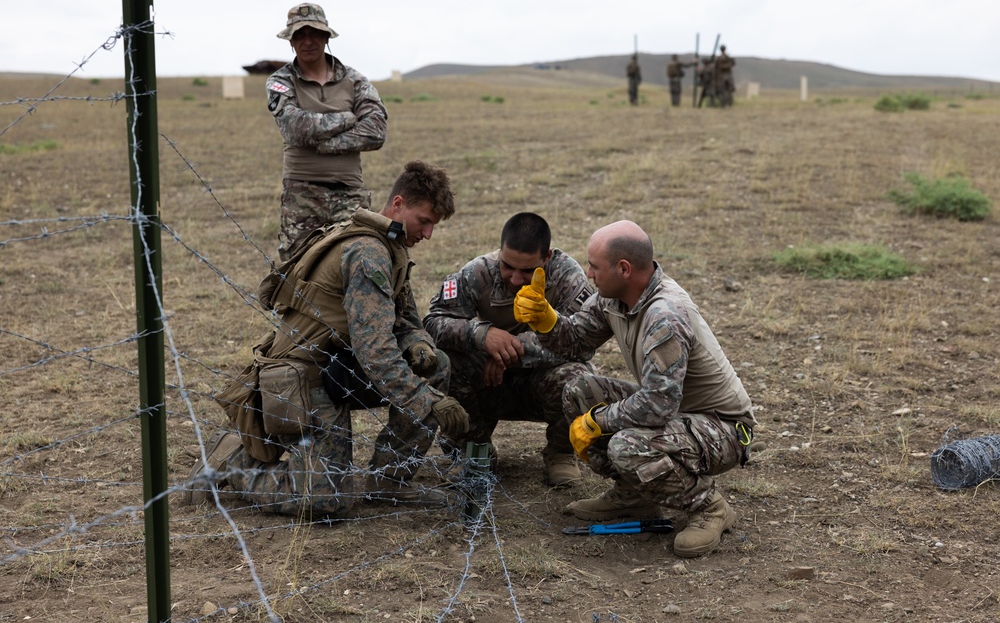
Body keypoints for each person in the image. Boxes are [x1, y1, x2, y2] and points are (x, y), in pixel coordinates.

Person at [183, 161, 468, 518]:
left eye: (433, 225)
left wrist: (417, 343)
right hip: (303, 379)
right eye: (424, 221)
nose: (428, 234)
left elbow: (404, 317)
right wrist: (426, 400)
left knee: (435, 364)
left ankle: (389, 481)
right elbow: (375, 350)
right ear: (398, 204)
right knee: (324, 503)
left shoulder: (388, 245)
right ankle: (233, 460)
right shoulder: (368, 252)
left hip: (338, 370)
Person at [512, 220, 757, 557]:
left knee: (628, 447)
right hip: (677, 412)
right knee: (578, 391)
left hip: (723, 426)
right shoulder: (612, 299)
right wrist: (546, 320)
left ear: (623, 269)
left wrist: (598, 420)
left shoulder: (665, 315)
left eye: (595, 267)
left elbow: (658, 405)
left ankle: (708, 507)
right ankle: (634, 495)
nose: (589, 274)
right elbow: (576, 342)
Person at [423, 213, 595, 486]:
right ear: (500, 252)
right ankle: (474, 450)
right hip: (490, 383)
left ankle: (560, 452)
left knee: (577, 378)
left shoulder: (567, 277)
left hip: (541, 383)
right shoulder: (477, 272)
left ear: (547, 257)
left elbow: (581, 343)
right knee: (445, 361)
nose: (515, 279)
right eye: (507, 266)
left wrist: (508, 353)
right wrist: (481, 335)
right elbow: (433, 323)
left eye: (527, 271)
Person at [267, 3, 388, 261]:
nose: (307, 41)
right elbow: (295, 128)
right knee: (298, 270)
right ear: (290, 41)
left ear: (326, 37)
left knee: (360, 263)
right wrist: (347, 117)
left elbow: (376, 131)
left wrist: (327, 144)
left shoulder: (354, 80)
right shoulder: (281, 81)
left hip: (350, 192)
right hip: (302, 193)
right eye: (300, 34)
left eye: (314, 33)